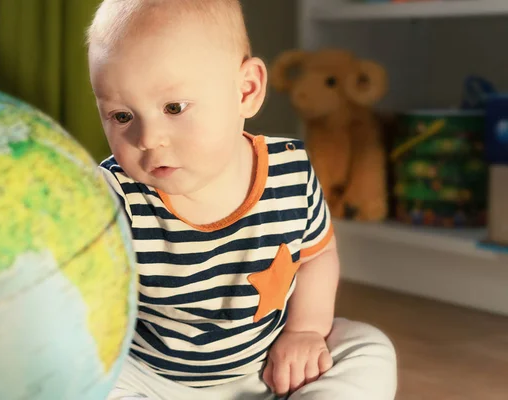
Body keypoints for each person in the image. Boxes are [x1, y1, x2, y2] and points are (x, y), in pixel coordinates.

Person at [86, 1, 397, 399]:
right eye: (121, 116)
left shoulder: (290, 171)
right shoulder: (113, 195)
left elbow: (317, 256)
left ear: (246, 90)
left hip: (268, 369)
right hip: (153, 379)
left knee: (368, 348)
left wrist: (304, 332)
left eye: (174, 107)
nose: (147, 139)